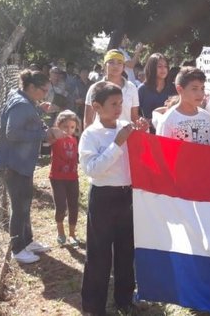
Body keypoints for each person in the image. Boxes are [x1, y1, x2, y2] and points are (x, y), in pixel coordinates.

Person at [78, 82, 147, 315]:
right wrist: (118, 143)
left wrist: (142, 135)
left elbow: (138, 159)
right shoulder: (91, 135)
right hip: (103, 197)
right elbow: (94, 169)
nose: (119, 108)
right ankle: (93, 306)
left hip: (127, 195)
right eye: (113, 104)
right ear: (97, 107)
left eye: (121, 103)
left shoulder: (126, 127)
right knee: (99, 254)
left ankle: (124, 300)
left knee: (126, 252)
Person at [0, 69, 64, 264]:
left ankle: (27, 241)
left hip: (20, 163)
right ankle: (18, 248)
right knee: (19, 207)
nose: (45, 94)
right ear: (31, 87)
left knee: (25, 203)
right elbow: (12, 134)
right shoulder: (22, 105)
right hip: (12, 164)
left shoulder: (24, 99)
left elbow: (29, 121)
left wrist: (41, 111)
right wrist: (45, 135)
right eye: (43, 90)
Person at [157, 67, 210, 145]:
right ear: (180, 90)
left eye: (202, 88)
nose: (200, 94)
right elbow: (162, 152)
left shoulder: (206, 116)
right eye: (194, 89)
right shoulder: (168, 120)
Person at [84, 50, 139, 129]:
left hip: (125, 137)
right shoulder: (94, 88)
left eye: (119, 62)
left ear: (123, 67)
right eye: (111, 62)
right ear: (104, 65)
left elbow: (134, 118)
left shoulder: (131, 88)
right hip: (100, 138)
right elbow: (88, 121)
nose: (115, 66)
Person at [49, 110, 81, 247]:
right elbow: (49, 134)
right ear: (59, 126)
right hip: (57, 178)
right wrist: (55, 132)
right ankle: (60, 231)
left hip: (72, 177)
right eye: (65, 127)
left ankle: (72, 234)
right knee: (61, 205)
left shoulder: (74, 140)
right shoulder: (55, 139)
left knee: (74, 205)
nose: (69, 130)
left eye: (72, 127)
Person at [138, 53, 175, 133]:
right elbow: (136, 113)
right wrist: (144, 121)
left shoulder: (173, 88)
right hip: (149, 133)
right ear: (151, 68)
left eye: (165, 66)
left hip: (169, 132)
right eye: (159, 66)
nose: (163, 69)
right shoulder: (142, 89)